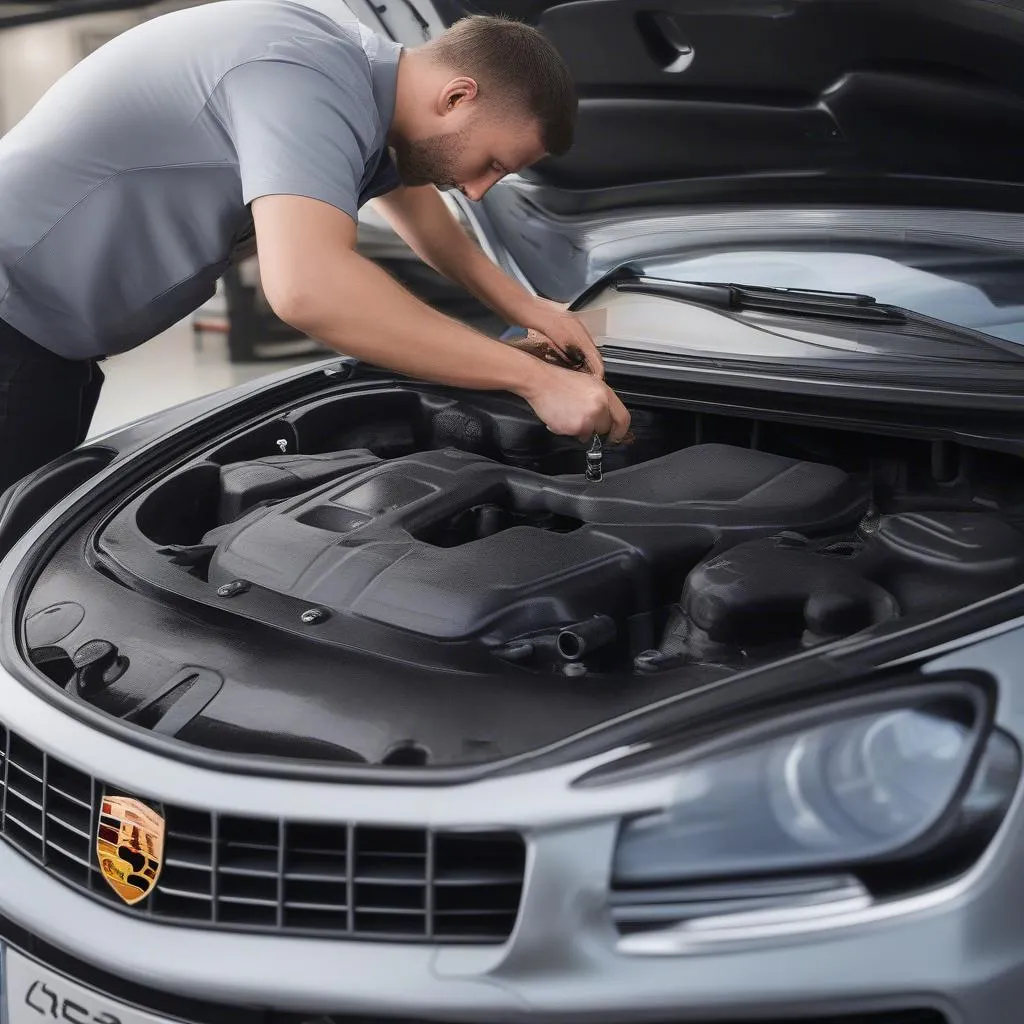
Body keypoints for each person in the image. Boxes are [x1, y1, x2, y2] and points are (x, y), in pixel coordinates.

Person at [0, 0, 631, 493]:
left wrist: (529, 309)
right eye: (490, 162)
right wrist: (533, 382)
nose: (476, 189)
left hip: (48, 345)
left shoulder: (359, 74)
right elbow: (309, 290)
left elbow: (419, 210)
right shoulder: (306, 73)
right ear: (458, 96)